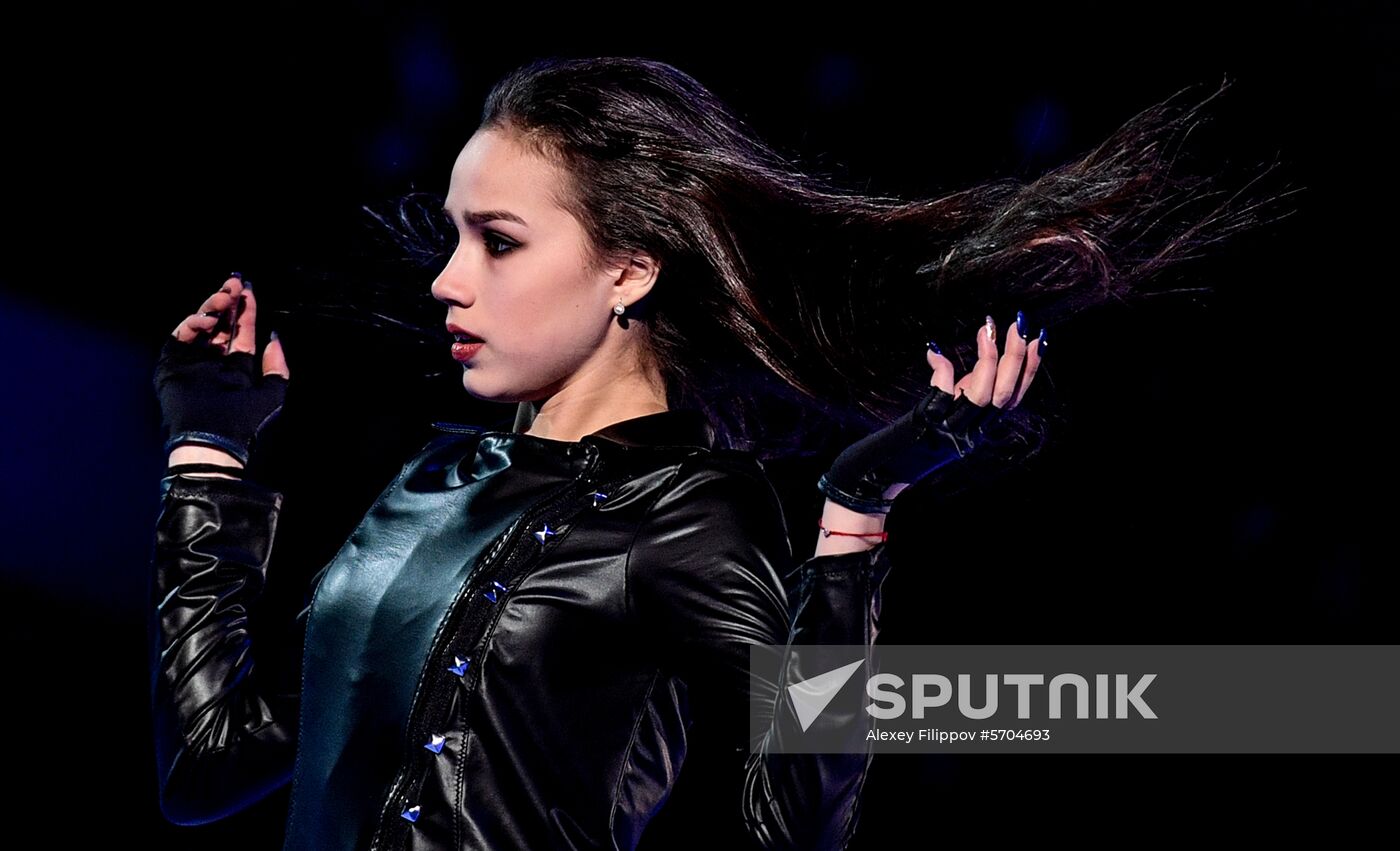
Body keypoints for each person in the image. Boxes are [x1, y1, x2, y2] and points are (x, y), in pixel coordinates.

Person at [148, 58, 1295, 850]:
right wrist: (208, 451)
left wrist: (852, 516)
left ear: (630, 270)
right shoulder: (431, 481)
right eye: (454, 235)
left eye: (496, 240)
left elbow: (793, 826)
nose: (447, 277)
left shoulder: (691, 517)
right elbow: (207, 768)